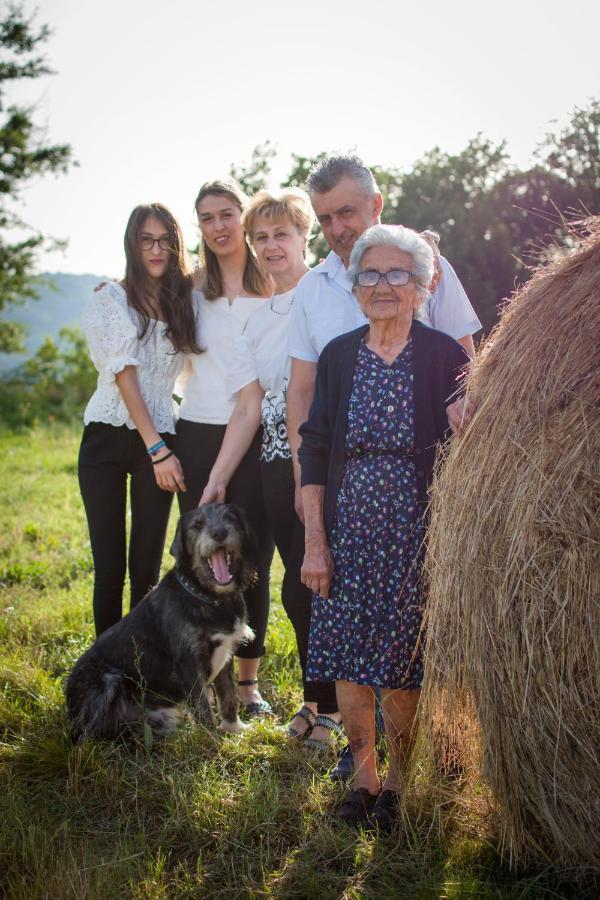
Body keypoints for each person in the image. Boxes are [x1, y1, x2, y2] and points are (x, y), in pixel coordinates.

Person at [286, 153, 480, 778]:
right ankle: (363, 776)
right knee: (345, 652)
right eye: (369, 278)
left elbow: (465, 427)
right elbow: (314, 441)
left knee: (402, 656)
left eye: (397, 277)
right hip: (347, 518)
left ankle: (400, 779)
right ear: (356, 286)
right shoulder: (341, 355)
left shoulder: (441, 353)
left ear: (423, 286)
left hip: (415, 520)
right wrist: (314, 536)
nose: (381, 287)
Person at [199, 189, 342, 749]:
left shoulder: (336, 293)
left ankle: (341, 707)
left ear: (305, 235)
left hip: (335, 461)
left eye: (282, 234)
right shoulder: (258, 322)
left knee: (328, 583)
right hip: (278, 464)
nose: (269, 245)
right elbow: (248, 406)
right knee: (296, 589)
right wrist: (217, 475)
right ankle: (316, 701)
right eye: (260, 236)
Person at [174, 179, 275, 718]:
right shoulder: (189, 290)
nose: (217, 227)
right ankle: (199, 676)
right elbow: (142, 306)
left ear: (243, 216)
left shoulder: (275, 284)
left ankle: (247, 685)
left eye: (226, 214)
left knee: (253, 557)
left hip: (259, 435)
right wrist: (112, 290)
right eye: (206, 218)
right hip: (198, 431)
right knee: (203, 559)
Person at [79, 203, 201, 636]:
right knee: (110, 565)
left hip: (162, 439)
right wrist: (156, 448)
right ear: (132, 243)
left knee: (146, 566)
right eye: (146, 240)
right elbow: (124, 374)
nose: (156, 249)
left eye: (165, 240)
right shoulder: (109, 298)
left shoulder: (182, 301)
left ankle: (141, 666)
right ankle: (104, 670)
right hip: (109, 439)